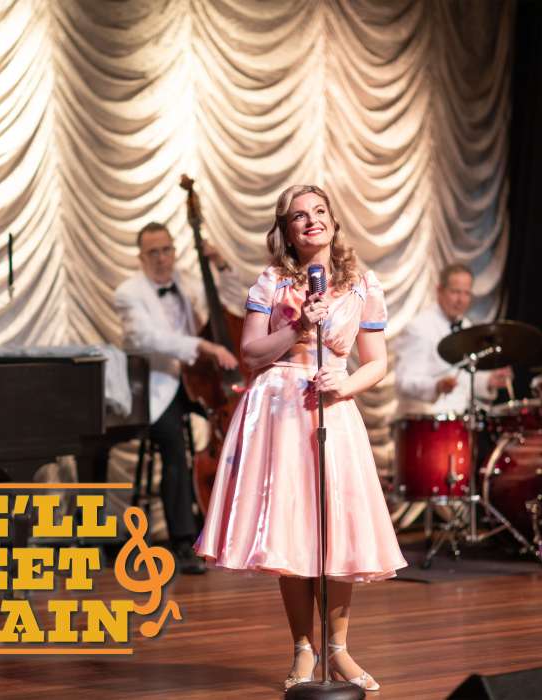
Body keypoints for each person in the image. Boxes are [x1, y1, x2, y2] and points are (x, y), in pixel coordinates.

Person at [195, 185, 407, 692]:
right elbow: (250, 354)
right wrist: (296, 328)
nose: (311, 220)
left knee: (337, 531)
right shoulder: (272, 281)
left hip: (335, 405)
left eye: (319, 211)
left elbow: (376, 361)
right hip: (281, 411)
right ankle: (303, 648)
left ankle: (339, 649)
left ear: (333, 221)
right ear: (286, 231)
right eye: (298, 216)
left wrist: (346, 384)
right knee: (293, 531)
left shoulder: (363, 284)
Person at [113, 222, 238, 575]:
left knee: (237, 430)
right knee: (174, 449)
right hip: (159, 388)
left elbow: (231, 303)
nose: (161, 258)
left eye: (166, 250)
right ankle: (182, 542)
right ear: (141, 257)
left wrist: (221, 265)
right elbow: (145, 338)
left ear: (174, 251)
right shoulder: (128, 292)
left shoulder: (186, 282)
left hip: (197, 381)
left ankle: (234, 526)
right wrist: (202, 346)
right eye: (153, 252)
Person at [394, 262, 511, 418]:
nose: (461, 300)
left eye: (466, 293)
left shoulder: (467, 326)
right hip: (427, 421)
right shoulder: (418, 328)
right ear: (439, 291)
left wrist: (489, 381)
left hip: (460, 419)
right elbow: (403, 382)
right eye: (455, 292)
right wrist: (436, 386)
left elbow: (463, 381)